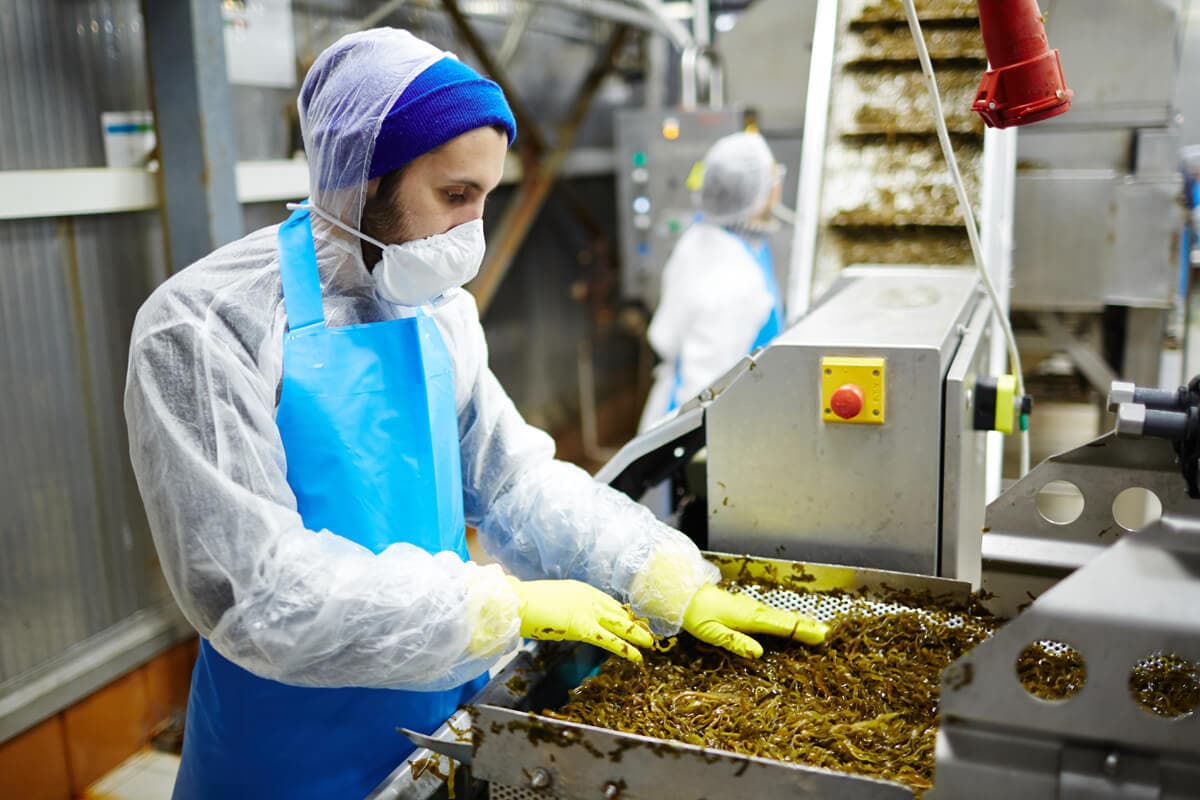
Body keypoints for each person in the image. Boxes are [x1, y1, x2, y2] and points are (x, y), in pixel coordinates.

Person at [124, 29, 825, 798]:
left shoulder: (436, 310)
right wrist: (502, 604)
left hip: (436, 713)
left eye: (487, 199)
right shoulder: (205, 326)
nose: (473, 233)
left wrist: (661, 572)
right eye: (455, 196)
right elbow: (259, 595)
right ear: (361, 177)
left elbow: (514, 481)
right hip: (285, 754)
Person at [639, 131, 787, 431]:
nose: (778, 185)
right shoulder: (735, 280)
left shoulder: (700, 238)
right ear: (760, 193)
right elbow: (700, 392)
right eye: (773, 177)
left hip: (675, 405)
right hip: (710, 427)